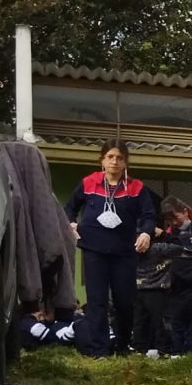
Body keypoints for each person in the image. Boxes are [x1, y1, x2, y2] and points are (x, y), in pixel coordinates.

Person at [65, 139, 155, 356]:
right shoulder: (88, 183)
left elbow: (149, 215)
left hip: (124, 252)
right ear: (102, 161)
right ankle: (99, 349)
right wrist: (71, 224)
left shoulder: (136, 187)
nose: (115, 161)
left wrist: (145, 233)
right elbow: (69, 207)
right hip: (94, 250)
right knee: (97, 300)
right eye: (110, 157)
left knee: (124, 302)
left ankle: (123, 346)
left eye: (120, 158)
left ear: (126, 163)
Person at [136, 195, 192, 355]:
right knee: (176, 321)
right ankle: (177, 352)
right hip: (177, 284)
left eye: (176, 218)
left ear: (184, 211)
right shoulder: (172, 234)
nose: (174, 223)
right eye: (170, 221)